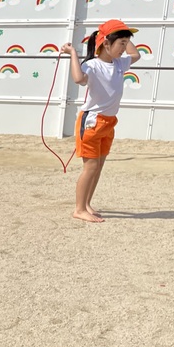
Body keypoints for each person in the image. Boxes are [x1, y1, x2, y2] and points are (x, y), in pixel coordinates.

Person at [60, 19, 141, 223]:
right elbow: (79, 79)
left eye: (125, 43)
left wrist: (124, 33)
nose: (124, 48)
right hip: (92, 122)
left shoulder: (119, 63)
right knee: (91, 167)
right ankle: (79, 208)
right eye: (120, 43)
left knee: (99, 166)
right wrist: (72, 54)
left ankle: (87, 204)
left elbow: (136, 54)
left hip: (109, 122)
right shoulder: (93, 65)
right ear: (106, 44)